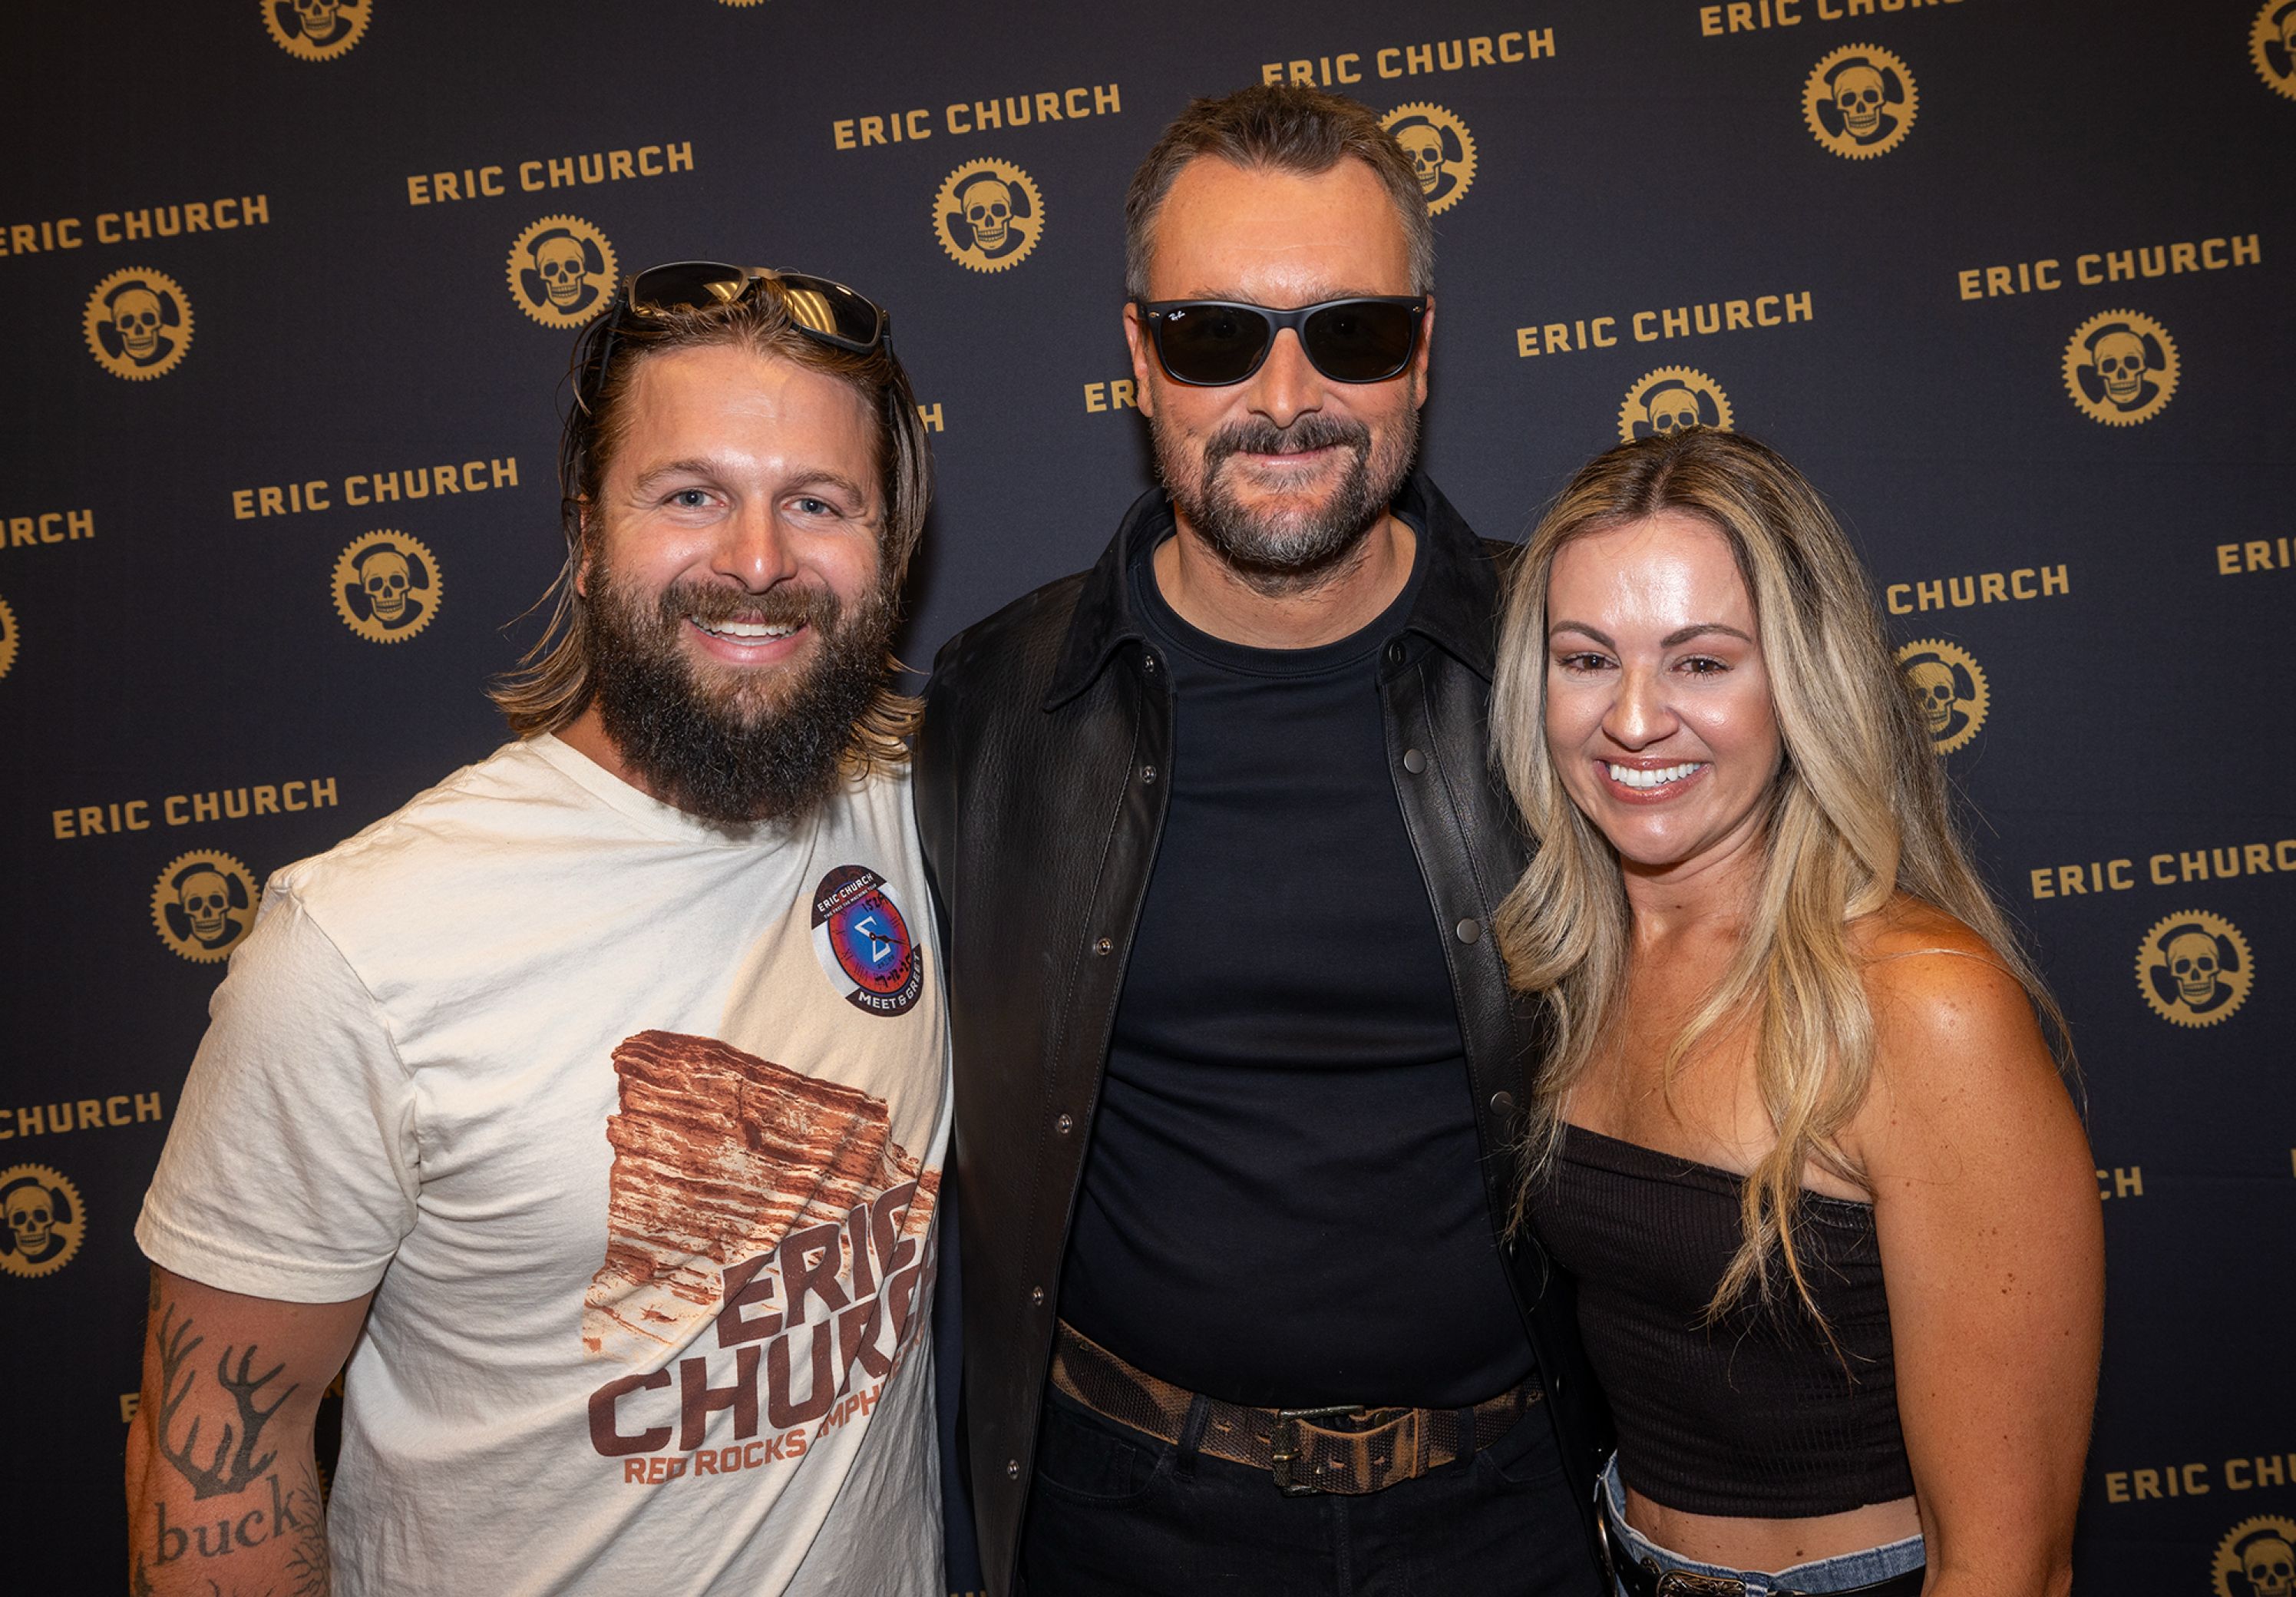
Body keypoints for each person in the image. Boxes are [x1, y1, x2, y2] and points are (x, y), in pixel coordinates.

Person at [127, 264, 950, 1596]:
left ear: (888, 551)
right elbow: (219, 1449)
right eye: (689, 495)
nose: (757, 560)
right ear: (586, 534)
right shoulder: (360, 945)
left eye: (818, 503)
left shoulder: (931, 822)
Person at [916, 84, 1607, 1596]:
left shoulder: (1568, 667)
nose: (1285, 395)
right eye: (1214, 337)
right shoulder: (995, 704)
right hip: (1119, 1524)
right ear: (1138, 358)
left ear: (1420, 349)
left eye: (1349, 331)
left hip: (1515, 1517)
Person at [1491, 428, 2104, 1597]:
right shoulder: (1564, 963)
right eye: (1586, 658)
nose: (1633, 719)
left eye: (1701, 662)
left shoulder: (1923, 1004)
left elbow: (2011, 1562)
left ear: (1801, 680)